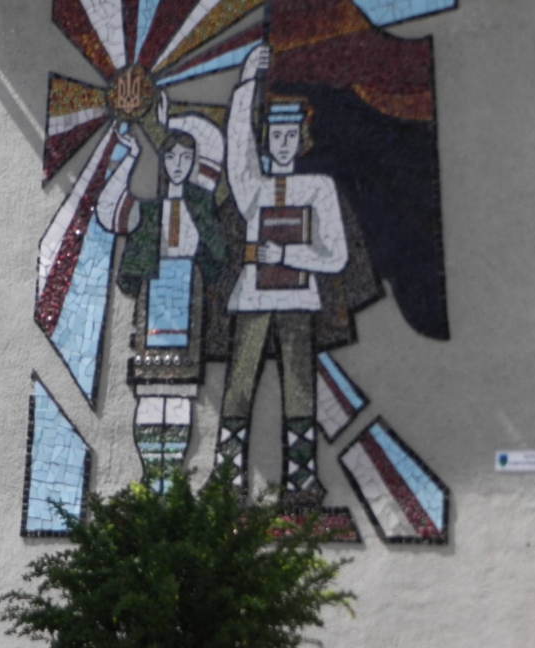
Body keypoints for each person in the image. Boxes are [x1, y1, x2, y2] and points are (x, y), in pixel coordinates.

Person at [216, 43, 349, 505]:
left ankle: (302, 481)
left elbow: (335, 256)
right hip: (254, 298)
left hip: (297, 301)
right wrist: (246, 83)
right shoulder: (255, 187)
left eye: (291, 135)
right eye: (276, 134)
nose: (283, 143)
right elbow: (237, 148)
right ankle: (227, 479)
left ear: (302, 138)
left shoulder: (317, 188)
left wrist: (288, 255)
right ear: (268, 137)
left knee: (299, 390)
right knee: (239, 386)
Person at [96, 95, 226, 492]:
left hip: (188, 302)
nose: (179, 165)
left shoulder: (201, 205)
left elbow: (216, 251)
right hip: (153, 302)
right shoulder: (151, 211)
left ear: (193, 163)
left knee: (181, 394)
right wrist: (132, 156)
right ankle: (152, 476)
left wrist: (169, 122)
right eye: (172, 157)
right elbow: (109, 210)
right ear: (165, 162)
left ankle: (172, 478)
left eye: (186, 159)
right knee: (151, 392)